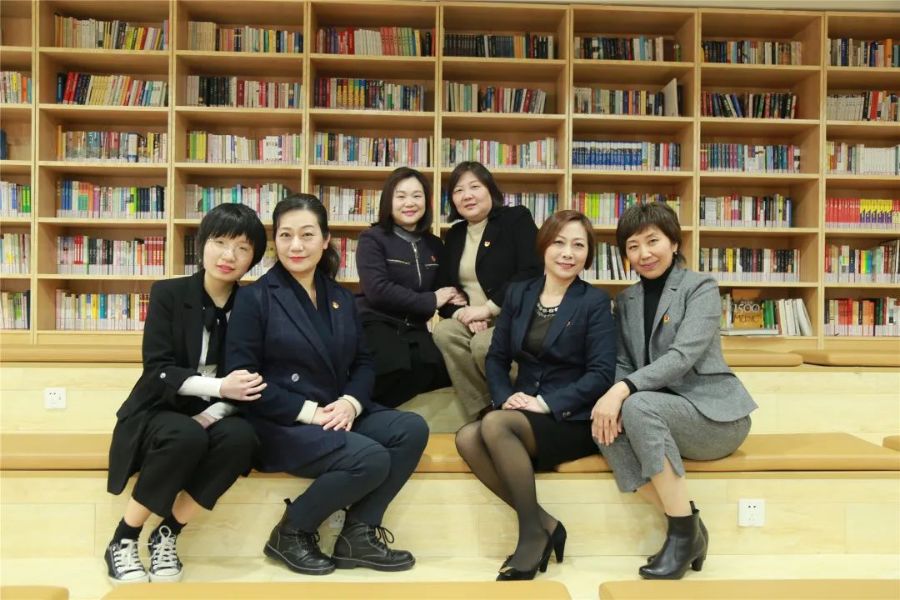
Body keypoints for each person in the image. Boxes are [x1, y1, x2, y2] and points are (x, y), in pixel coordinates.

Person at [226, 194, 429, 576]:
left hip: (336, 411)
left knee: (411, 428)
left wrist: (351, 402)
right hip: (283, 423)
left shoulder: (341, 297)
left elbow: (364, 362)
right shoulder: (255, 298)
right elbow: (245, 379)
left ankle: (357, 535)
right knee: (371, 457)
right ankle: (291, 531)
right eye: (286, 235)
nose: (296, 245)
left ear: (325, 240)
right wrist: (310, 413)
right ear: (275, 241)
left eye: (307, 234)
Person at [591, 202, 757, 580]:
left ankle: (681, 537)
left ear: (674, 242)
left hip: (714, 417)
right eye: (633, 246)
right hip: (658, 414)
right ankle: (687, 525)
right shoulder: (626, 300)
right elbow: (623, 362)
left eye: (653, 241)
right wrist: (614, 394)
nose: (644, 253)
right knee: (602, 425)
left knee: (635, 406)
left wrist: (622, 390)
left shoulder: (700, 287)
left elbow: (683, 357)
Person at [105, 204, 268, 584]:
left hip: (222, 410)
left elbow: (251, 376)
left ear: (254, 259)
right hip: (159, 406)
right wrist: (218, 387)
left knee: (242, 439)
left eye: (242, 248)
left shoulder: (254, 305)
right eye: (220, 242)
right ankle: (124, 538)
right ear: (202, 244)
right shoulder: (169, 293)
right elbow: (158, 368)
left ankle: (168, 532)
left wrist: (213, 410)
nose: (229, 255)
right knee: (185, 434)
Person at [456, 210, 617, 581]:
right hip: (522, 409)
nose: (567, 253)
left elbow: (600, 374)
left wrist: (544, 404)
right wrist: (504, 397)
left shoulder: (595, 301)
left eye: (578, 245)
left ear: (588, 255)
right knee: (467, 437)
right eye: (559, 242)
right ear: (544, 246)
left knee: (494, 426)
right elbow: (496, 357)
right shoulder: (520, 293)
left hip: (571, 418)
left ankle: (531, 536)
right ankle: (544, 523)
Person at [434, 161, 542, 418]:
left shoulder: (516, 219)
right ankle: (484, 408)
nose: (467, 195)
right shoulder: (455, 234)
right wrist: (463, 314)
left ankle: (515, 402)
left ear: (490, 190)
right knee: (444, 331)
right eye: (458, 190)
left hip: (514, 316)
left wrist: (487, 309)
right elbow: (444, 287)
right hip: (474, 319)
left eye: (475, 186)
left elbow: (532, 271)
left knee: (484, 345)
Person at [356, 167, 461, 407]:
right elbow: (377, 290)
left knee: (440, 367)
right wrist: (430, 300)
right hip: (376, 321)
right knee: (394, 364)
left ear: (426, 201)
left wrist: (462, 309)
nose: (409, 203)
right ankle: (371, 414)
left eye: (417, 195)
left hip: (415, 327)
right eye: (401, 196)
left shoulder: (435, 244)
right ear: (388, 201)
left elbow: (445, 292)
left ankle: (397, 416)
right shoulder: (372, 238)